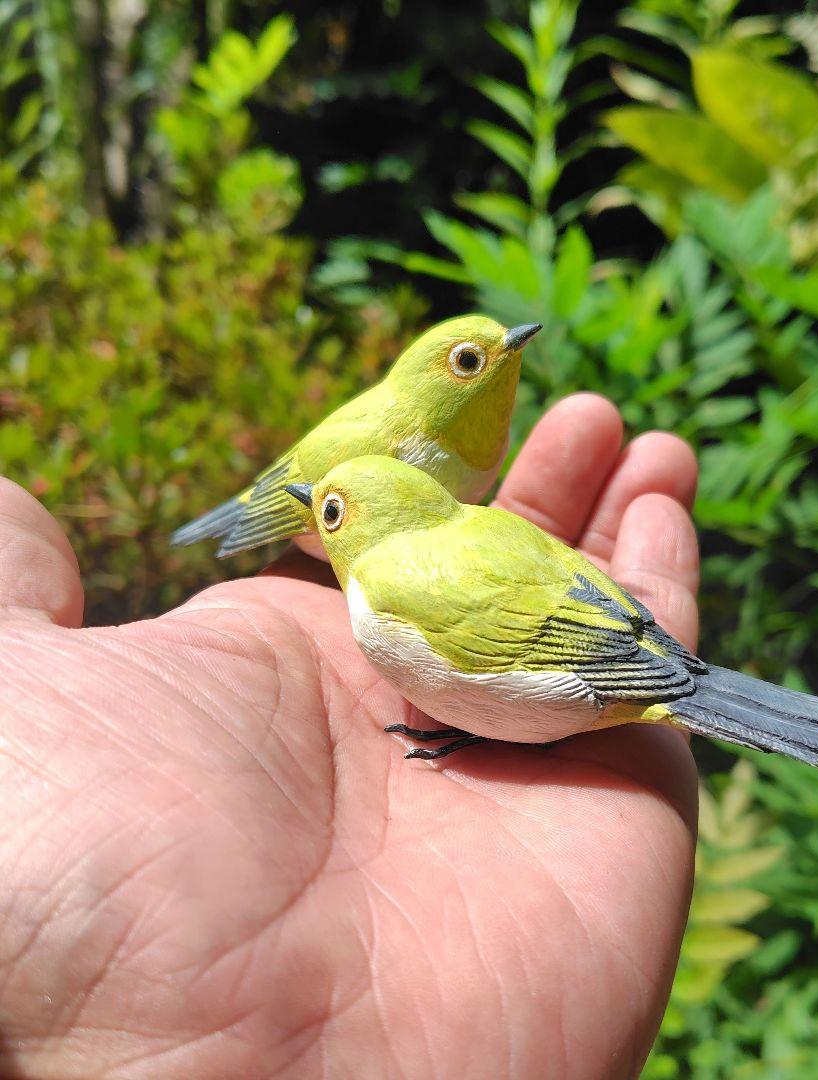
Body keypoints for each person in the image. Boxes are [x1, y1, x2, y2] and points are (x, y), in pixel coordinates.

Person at [0, 394, 700, 1079]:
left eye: (330, 513)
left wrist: (652, 681)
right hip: (615, 628)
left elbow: (520, 656)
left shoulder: (386, 591)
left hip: (584, 670)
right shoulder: (484, 527)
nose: (317, 521)